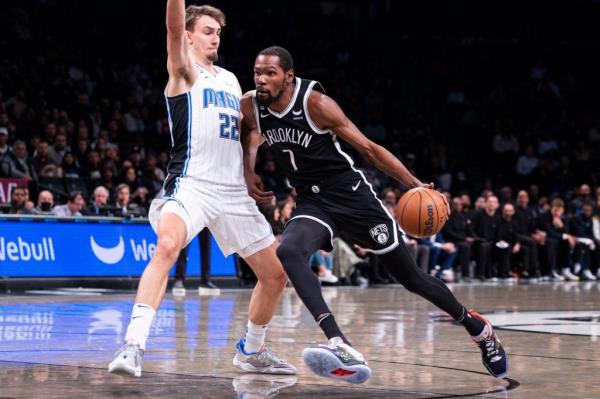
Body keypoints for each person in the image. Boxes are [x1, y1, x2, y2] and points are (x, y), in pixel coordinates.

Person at [239, 46, 508, 384]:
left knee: (412, 279)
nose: (261, 80)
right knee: (288, 251)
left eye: (270, 74)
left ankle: (478, 329)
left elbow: (368, 149)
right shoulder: (251, 104)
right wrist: (249, 170)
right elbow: (250, 134)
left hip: (353, 198)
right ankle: (340, 342)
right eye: (257, 73)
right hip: (312, 201)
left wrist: (414, 185)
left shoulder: (315, 103)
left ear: (289, 77)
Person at [108, 3, 294, 378]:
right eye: (208, 31)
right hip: (191, 184)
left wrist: (249, 170)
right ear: (190, 36)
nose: (216, 37)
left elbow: (247, 132)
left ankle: (252, 351)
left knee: (276, 275)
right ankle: (133, 345)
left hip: (232, 194)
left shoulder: (229, 81)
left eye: (219, 32)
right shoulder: (183, 73)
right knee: (166, 245)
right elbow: (173, 27)